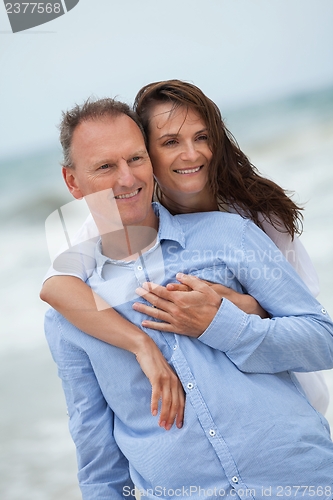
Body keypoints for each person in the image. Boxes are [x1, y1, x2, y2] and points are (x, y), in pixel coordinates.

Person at [44, 97, 333, 498]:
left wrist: (224, 323)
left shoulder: (230, 234)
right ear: (72, 182)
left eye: (136, 159)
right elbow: (99, 461)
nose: (126, 179)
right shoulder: (71, 312)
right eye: (105, 167)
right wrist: (141, 345)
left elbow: (324, 341)